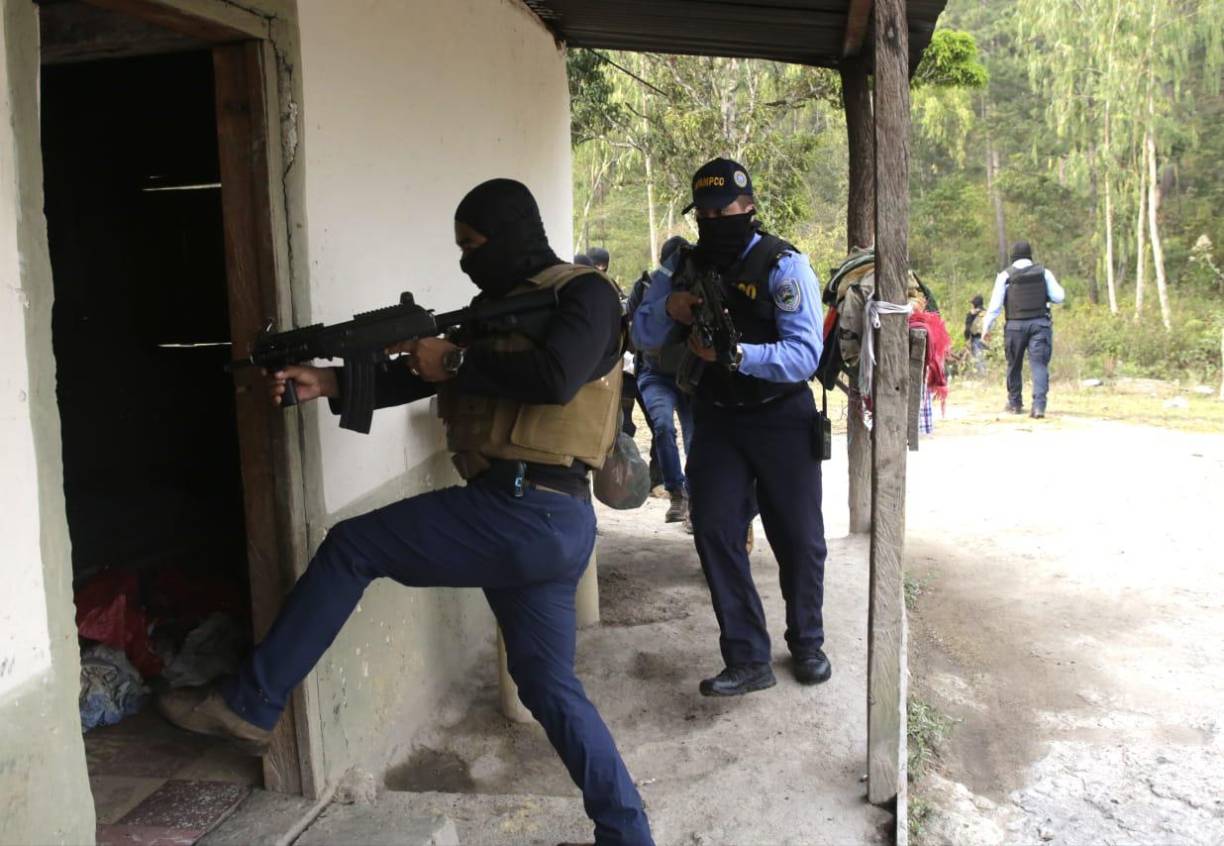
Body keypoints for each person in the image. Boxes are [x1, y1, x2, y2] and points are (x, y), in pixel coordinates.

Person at [158, 179, 654, 845]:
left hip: (524, 508)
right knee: (548, 689)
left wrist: (450, 357)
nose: (465, 259)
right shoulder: (498, 308)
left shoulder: (585, 296)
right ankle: (627, 836)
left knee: (351, 548)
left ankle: (250, 703)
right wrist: (332, 380)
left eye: (473, 245)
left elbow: (555, 376)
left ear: (509, 236)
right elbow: (434, 375)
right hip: (535, 521)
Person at [632, 158, 830, 696]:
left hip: (781, 415)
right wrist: (671, 309)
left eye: (727, 210)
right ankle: (747, 658)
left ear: (750, 208)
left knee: (799, 539)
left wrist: (737, 354)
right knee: (716, 531)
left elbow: (804, 354)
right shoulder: (681, 264)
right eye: (706, 211)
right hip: (717, 418)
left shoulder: (784, 265)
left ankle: (807, 642)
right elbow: (643, 333)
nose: (716, 219)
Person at [626, 235, 693, 523]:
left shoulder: (699, 287)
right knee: (663, 428)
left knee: (696, 438)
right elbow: (630, 332)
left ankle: (696, 498)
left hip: (690, 375)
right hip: (654, 374)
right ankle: (677, 494)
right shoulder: (645, 287)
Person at [982, 240, 1066, 418]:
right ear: (1030, 255)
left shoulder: (1005, 276)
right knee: (1039, 365)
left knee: (1014, 365)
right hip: (1040, 325)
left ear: (1013, 257)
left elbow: (995, 306)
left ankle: (1015, 403)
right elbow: (1059, 297)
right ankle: (1039, 407)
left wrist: (986, 328)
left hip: (1015, 326)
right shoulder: (1044, 272)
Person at [964, 294, 986, 375]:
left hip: (976, 338)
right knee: (985, 357)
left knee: (978, 358)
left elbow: (967, 328)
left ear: (975, 304)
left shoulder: (971, 314)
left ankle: (982, 376)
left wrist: (967, 339)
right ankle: (987, 374)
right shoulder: (986, 312)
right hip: (987, 338)